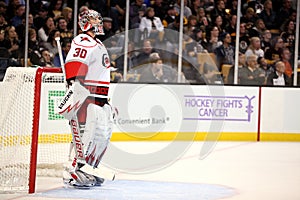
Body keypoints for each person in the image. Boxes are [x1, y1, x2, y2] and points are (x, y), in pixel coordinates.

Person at [62, 9, 114, 188]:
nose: (98, 20)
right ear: (85, 22)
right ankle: (75, 170)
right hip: (87, 97)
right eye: (93, 18)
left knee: (101, 135)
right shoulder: (83, 40)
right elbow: (75, 65)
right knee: (86, 135)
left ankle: (90, 167)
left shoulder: (97, 42)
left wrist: (106, 100)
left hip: (99, 97)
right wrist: (75, 89)